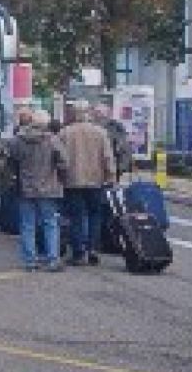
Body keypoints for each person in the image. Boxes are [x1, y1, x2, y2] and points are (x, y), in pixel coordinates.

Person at [6, 110, 68, 271]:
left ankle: (30, 261)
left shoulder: (18, 140)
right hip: (48, 187)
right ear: (46, 123)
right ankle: (52, 259)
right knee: (50, 223)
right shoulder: (53, 140)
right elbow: (64, 163)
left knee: (27, 225)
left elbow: (10, 160)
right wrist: (59, 175)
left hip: (25, 187)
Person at [61, 104, 116, 267]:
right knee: (95, 215)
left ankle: (78, 252)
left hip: (73, 181)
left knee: (76, 216)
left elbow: (59, 157)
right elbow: (108, 157)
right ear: (89, 115)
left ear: (74, 115)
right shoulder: (100, 132)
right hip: (95, 180)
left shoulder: (65, 133)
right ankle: (93, 248)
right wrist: (111, 176)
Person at [93, 104, 131, 179]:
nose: (97, 115)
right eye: (96, 112)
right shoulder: (91, 126)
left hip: (111, 167)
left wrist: (120, 169)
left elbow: (123, 148)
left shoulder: (115, 127)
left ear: (108, 113)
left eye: (99, 112)